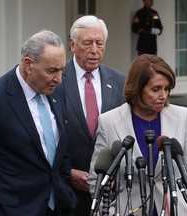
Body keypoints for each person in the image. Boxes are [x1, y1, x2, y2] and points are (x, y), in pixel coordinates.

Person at [88, 54, 187, 216]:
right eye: (155, 89)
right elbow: (97, 180)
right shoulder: (109, 122)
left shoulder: (182, 116)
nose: (163, 95)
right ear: (137, 88)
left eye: (167, 89)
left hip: (175, 210)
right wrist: (111, 211)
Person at [0, 30, 77, 216]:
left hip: (59, 205)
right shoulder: (0, 98)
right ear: (28, 65)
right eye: (51, 71)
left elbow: (59, 151)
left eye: (61, 70)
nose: (58, 78)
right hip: (14, 209)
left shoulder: (56, 91)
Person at [62, 15, 126, 216]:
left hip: (110, 192)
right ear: (72, 44)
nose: (94, 50)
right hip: (67, 190)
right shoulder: (55, 79)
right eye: (87, 43)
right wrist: (68, 172)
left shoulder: (119, 81)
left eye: (99, 43)